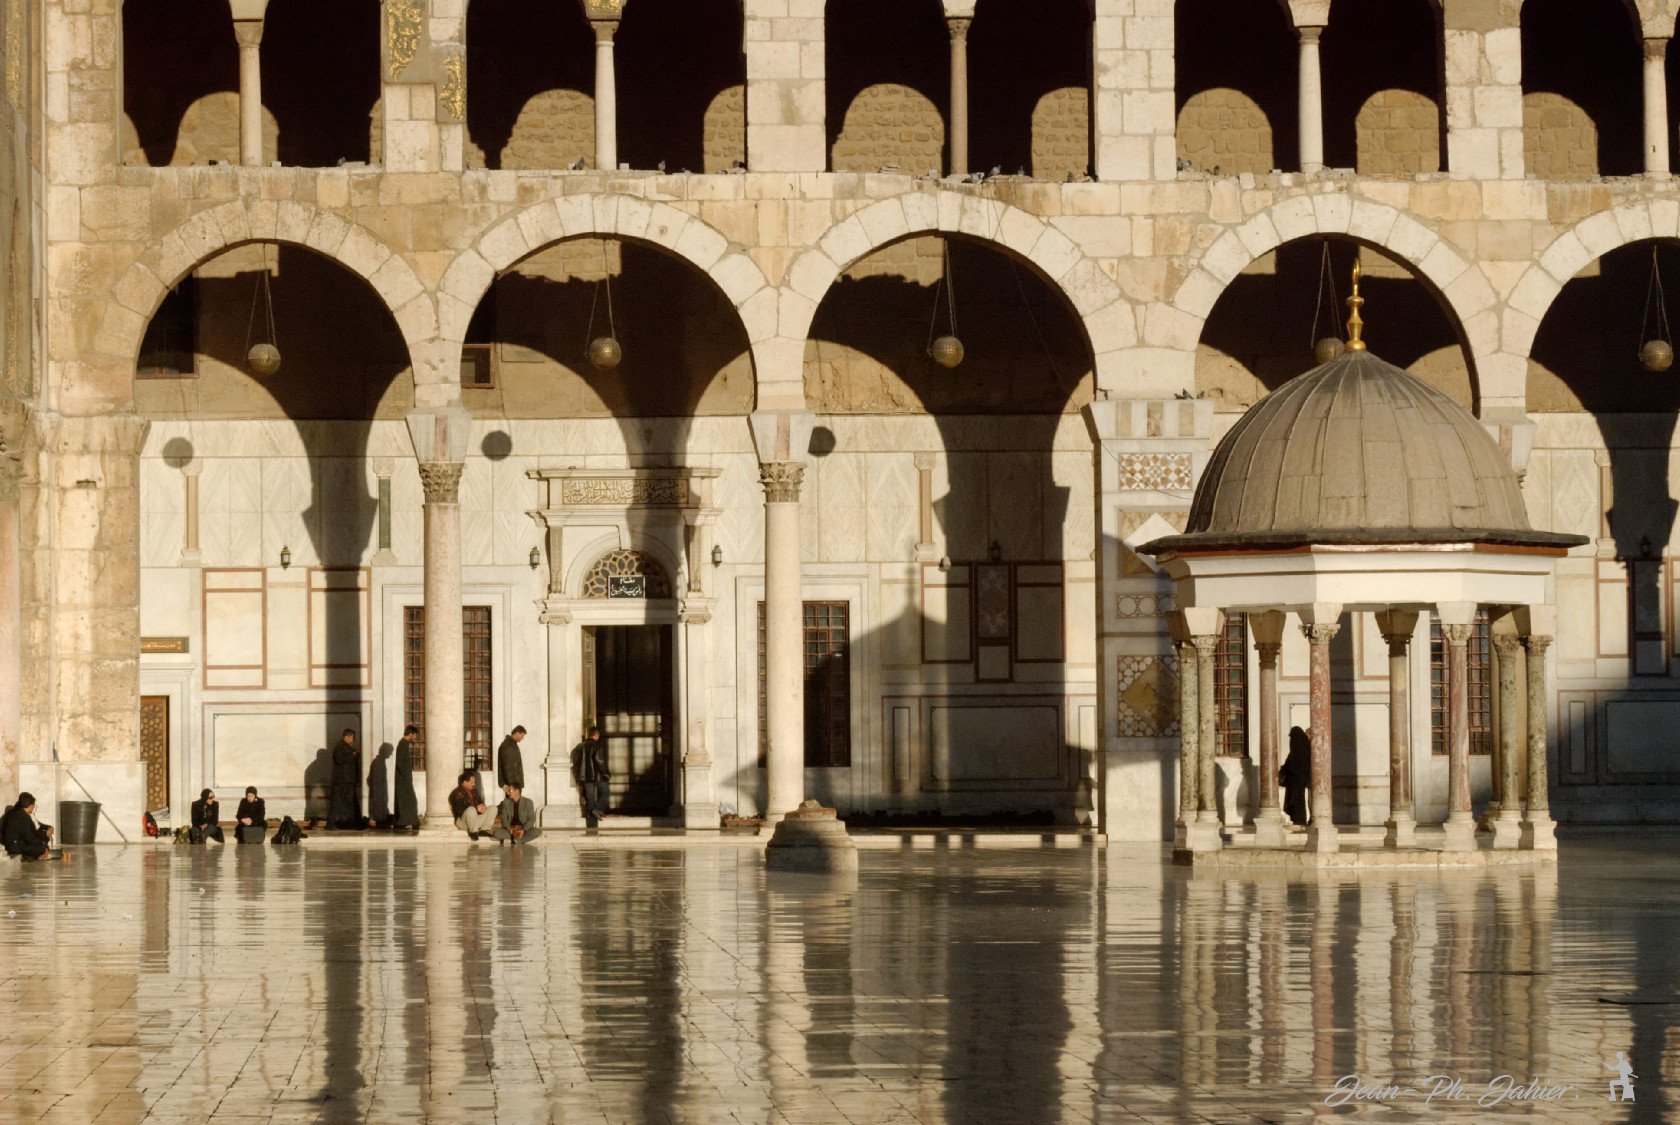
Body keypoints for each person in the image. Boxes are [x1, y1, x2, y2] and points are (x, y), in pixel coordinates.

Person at [571, 725, 611, 828]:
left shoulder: (579, 747)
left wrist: (579, 776)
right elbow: (600, 761)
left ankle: (592, 824)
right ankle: (598, 810)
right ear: (596, 735)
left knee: (590, 798)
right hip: (598, 776)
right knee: (606, 792)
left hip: (585, 777)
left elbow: (576, 762)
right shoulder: (596, 745)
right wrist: (606, 773)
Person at [1, 793, 58, 860]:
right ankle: (30, 856)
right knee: (42, 847)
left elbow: (31, 832)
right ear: (31, 806)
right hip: (14, 847)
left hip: (13, 843)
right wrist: (45, 835)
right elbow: (31, 838)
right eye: (34, 805)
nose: (34, 807)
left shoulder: (15, 811)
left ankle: (35, 855)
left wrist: (46, 831)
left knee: (42, 844)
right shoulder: (22, 817)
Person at [328, 728, 363, 830]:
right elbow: (339, 760)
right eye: (352, 737)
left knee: (351, 802)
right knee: (337, 802)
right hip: (341, 780)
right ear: (347, 737)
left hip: (349, 779)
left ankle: (355, 823)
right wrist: (352, 755)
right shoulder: (340, 746)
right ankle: (330, 824)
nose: (353, 739)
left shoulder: (347, 747)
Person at [448, 770, 498, 840]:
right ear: (464, 782)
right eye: (472, 783)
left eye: (474, 782)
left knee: (493, 808)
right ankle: (473, 832)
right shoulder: (456, 793)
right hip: (463, 822)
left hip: (475, 820)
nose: (474, 784)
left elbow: (481, 802)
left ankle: (484, 830)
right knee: (471, 809)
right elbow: (460, 810)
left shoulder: (474, 791)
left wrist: (483, 808)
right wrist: (476, 809)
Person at [1280, 726, 1312, 830]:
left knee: (1297, 800)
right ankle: (1296, 821)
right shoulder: (1300, 747)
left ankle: (1299, 821)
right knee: (1294, 800)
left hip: (1298, 779)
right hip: (1295, 780)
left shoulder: (1301, 747)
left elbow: (1296, 764)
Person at [393, 725, 421, 831]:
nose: (415, 737)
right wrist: (406, 777)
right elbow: (399, 763)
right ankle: (412, 822)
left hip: (404, 778)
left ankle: (402, 822)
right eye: (415, 735)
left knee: (405, 800)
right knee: (410, 800)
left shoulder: (404, 744)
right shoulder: (403, 744)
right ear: (410, 734)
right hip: (403, 779)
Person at [497, 725, 527, 795]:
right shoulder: (508, 746)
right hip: (512, 785)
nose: (522, 738)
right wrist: (512, 786)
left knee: (513, 801)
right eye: (522, 735)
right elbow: (507, 767)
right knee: (512, 801)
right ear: (517, 733)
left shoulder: (512, 744)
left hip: (514, 784)